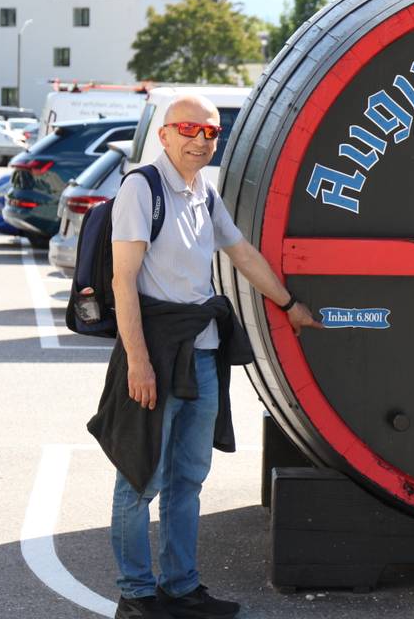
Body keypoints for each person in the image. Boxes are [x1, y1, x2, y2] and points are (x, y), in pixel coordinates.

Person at [88, 94, 320, 619]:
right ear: (165, 135)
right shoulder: (141, 190)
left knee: (188, 477)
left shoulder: (203, 194)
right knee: (139, 478)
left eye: (210, 133)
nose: (200, 140)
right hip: (155, 353)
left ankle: (181, 587)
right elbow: (124, 282)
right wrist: (138, 362)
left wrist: (289, 304)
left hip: (203, 353)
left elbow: (242, 254)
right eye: (189, 129)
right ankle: (136, 595)